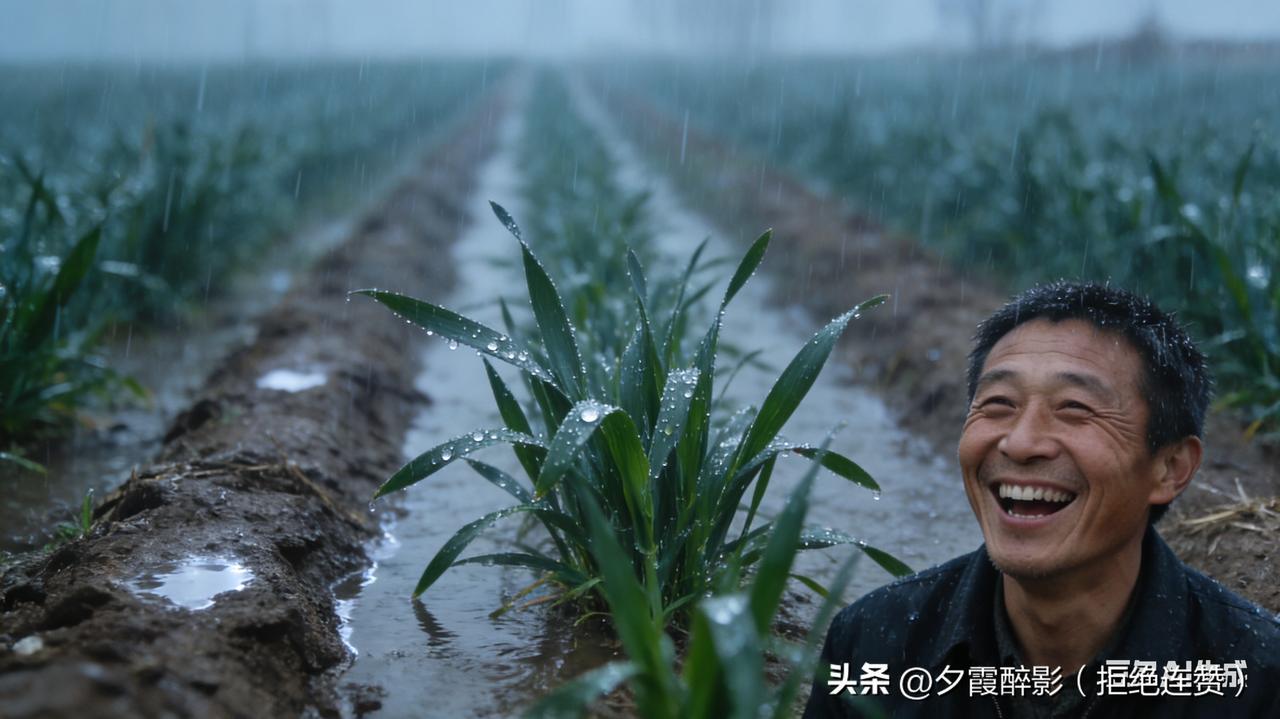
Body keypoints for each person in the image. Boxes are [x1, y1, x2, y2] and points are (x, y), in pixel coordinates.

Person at [804, 281, 1280, 718]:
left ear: (1170, 468)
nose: (1021, 442)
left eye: (1074, 408)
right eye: (999, 404)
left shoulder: (1259, 679)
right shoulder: (873, 646)